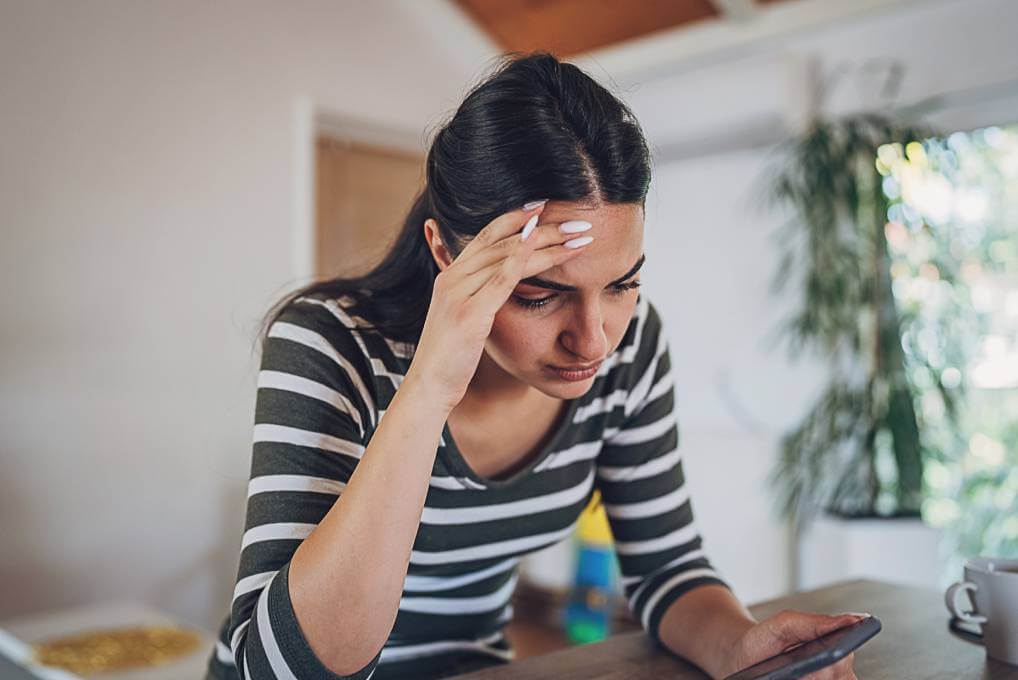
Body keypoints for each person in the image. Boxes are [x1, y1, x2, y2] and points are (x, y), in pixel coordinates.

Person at [204, 51, 862, 680]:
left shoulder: (630, 347)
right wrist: (429, 389)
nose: (593, 341)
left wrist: (743, 647)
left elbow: (667, 568)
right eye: (539, 294)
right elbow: (282, 670)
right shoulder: (331, 343)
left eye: (622, 285)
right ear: (445, 253)